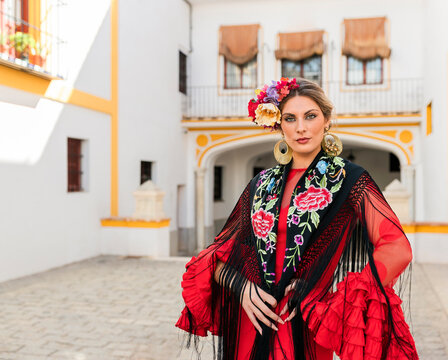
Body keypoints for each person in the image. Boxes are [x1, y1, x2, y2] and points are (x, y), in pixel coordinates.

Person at [175, 78, 419, 360]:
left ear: (327, 120)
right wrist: (240, 287)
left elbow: (397, 247)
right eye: (290, 118)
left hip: (303, 322)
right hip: (250, 320)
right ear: (280, 126)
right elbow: (214, 255)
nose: (301, 127)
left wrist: (338, 298)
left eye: (311, 116)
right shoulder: (261, 183)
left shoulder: (349, 179)